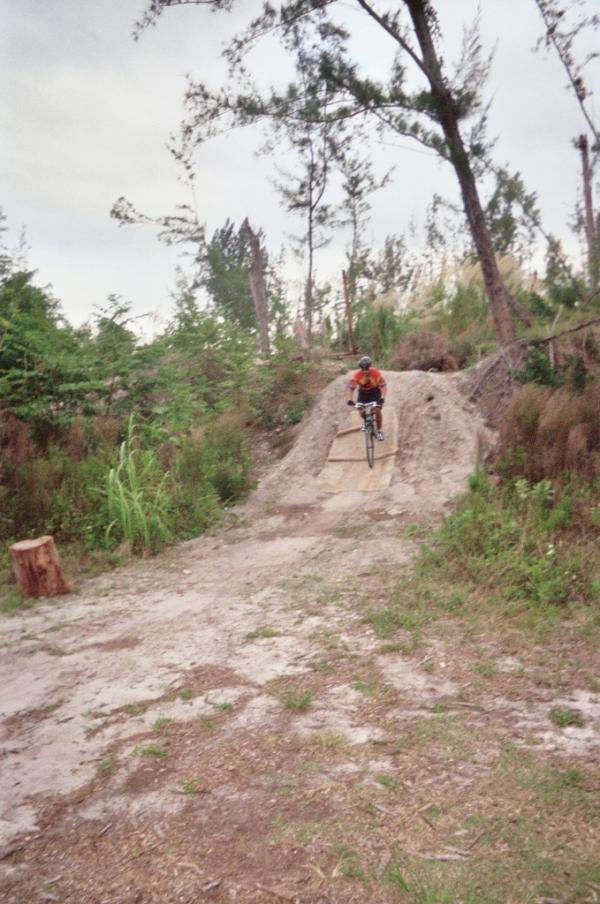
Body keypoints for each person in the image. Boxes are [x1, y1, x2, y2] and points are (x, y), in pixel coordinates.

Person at [346, 355, 387, 441]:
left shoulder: (376, 373)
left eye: (367, 369)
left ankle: (379, 431)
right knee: (361, 412)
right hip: (363, 393)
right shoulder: (357, 375)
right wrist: (350, 399)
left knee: (377, 410)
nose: (365, 371)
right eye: (363, 369)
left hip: (375, 392)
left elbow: (383, 386)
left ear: (370, 367)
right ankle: (366, 421)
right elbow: (350, 387)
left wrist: (383, 397)